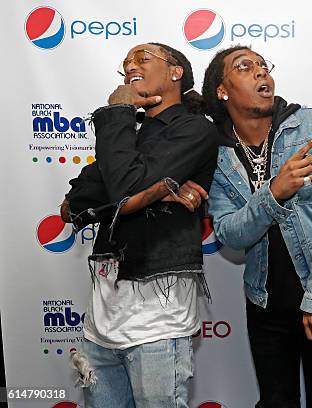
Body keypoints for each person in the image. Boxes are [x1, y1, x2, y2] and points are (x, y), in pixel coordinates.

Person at [61, 43, 217, 408]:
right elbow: (72, 206)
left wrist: (117, 112)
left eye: (142, 58)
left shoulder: (194, 130)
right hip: (99, 327)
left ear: (176, 71)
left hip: (158, 328)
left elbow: (123, 188)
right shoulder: (127, 135)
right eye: (126, 63)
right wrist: (159, 191)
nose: (130, 65)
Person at [202, 45, 312, 407]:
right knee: (276, 401)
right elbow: (229, 233)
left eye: (263, 66)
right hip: (265, 304)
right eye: (244, 67)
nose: (260, 72)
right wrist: (274, 192)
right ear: (223, 91)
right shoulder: (215, 152)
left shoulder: (310, 126)